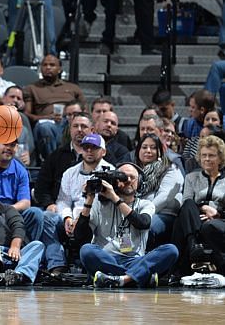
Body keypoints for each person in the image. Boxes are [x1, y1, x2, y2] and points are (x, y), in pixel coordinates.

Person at [75, 162, 179, 288]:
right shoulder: (99, 204)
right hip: (106, 258)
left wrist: (115, 198)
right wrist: (89, 200)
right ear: (115, 180)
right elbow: (80, 236)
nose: (128, 180)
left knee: (171, 250)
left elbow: (143, 223)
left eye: (132, 177)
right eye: (124, 177)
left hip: (135, 260)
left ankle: (119, 279)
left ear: (140, 182)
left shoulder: (145, 204)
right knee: (86, 250)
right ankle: (136, 277)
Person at [42, 133, 114, 274]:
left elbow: (107, 205)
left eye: (94, 148)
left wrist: (81, 218)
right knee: (47, 217)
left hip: (96, 217)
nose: (89, 151)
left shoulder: (111, 172)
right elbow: (63, 201)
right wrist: (67, 218)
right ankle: (57, 264)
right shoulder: (69, 173)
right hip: (72, 216)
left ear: (103, 151)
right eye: (86, 147)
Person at [172, 135, 225, 277]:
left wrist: (218, 213)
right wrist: (203, 208)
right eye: (204, 155)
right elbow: (186, 201)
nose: (207, 159)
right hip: (195, 217)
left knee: (208, 226)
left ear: (220, 158)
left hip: (219, 219)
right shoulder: (191, 177)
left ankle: (180, 269)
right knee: (188, 205)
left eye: (212, 155)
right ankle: (193, 246)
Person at [24, 54, 86, 159]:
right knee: (46, 127)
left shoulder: (73, 88)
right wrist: (47, 118)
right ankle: (53, 162)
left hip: (68, 122)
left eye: (52, 65)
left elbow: (85, 111)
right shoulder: (32, 88)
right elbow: (27, 114)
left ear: (59, 69)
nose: (48, 67)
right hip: (45, 125)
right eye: (44, 65)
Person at [135, 133, 184, 250]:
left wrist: (142, 216)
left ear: (159, 151)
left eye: (153, 147)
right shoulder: (134, 170)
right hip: (138, 214)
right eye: (144, 147)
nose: (148, 150)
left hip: (163, 214)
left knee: (147, 228)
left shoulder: (170, 168)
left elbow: (164, 197)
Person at [34, 112, 93, 210]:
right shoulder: (55, 156)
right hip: (59, 209)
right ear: (70, 129)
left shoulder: (101, 157)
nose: (79, 130)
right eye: (75, 126)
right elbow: (41, 188)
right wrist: (49, 204)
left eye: (83, 126)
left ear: (92, 130)